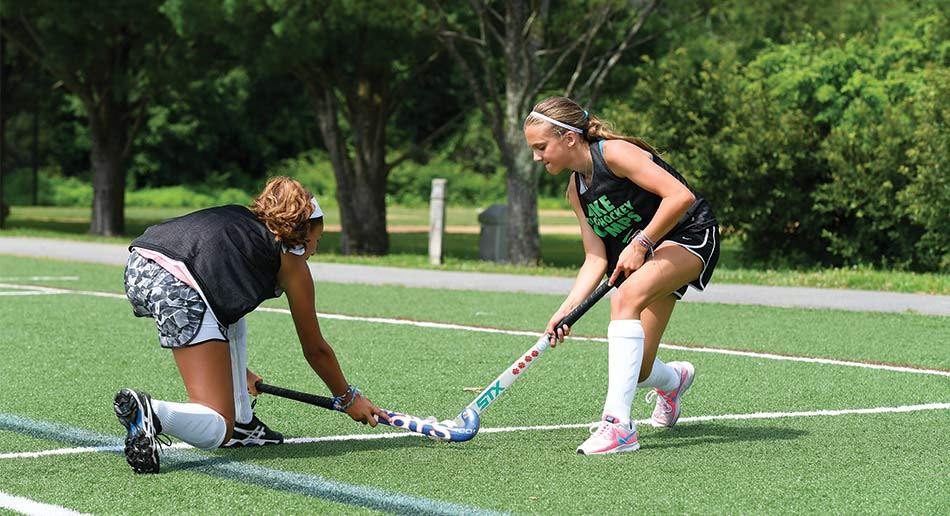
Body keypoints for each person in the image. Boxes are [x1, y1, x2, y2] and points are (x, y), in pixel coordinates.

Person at [116, 176, 389, 473]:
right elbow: (315, 349)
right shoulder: (293, 261)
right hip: (180, 285)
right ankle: (153, 413)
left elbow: (224, 298)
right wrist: (348, 398)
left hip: (139, 265)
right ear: (302, 234)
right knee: (218, 426)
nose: (314, 251)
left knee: (232, 314)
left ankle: (244, 425)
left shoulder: (243, 225)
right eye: (317, 242)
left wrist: (236, 372)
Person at [523, 97, 719, 455]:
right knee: (639, 371)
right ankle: (674, 382)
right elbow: (595, 259)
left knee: (624, 298)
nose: (537, 157)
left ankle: (618, 426)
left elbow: (680, 196)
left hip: (689, 234)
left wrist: (641, 242)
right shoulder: (576, 190)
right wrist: (566, 310)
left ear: (568, 138)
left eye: (541, 147)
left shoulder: (614, 154)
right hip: (648, 253)